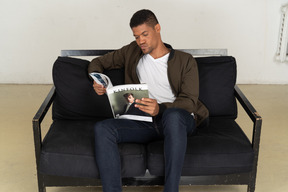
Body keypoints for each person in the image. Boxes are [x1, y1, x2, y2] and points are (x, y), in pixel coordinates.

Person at [88, 9, 209, 192]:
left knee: (173, 116)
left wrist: (160, 108)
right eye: (136, 37)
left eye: (145, 34)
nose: (141, 41)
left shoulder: (185, 60)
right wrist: (98, 80)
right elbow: (98, 62)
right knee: (102, 129)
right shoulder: (132, 51)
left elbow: (190, 101)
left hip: (178, 121)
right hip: (145, 122)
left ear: (158, 28)